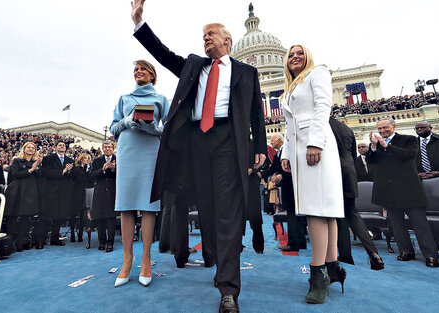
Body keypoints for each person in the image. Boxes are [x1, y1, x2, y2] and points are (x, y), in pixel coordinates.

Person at [130, 1, 266, 311]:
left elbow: (256, 115)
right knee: (207, 210)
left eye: (211, 34)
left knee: (228, 214)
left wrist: (259, 146)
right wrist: (140, 23)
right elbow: (163, 55)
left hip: (228, 142)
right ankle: (219, 263)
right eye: (203, 35)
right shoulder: (194, 65)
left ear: (227, 40)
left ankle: (229, 291)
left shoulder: (246, 72)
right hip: (194, 143)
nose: (205, 39)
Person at [280, 45, 345, 304]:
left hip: (315, 145)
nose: (295, 57)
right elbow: (289, 125)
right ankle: (332, 267)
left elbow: (322, 107)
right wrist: (286, 153)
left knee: (317, 208)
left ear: (308, 57)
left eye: (300, 53)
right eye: (291, 54)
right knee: (323, 209)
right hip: (298, 148)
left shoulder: (317, 73)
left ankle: (317, 273)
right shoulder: (291, 87)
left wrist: (315, 142)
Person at [110, 59, 169, 288]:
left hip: (150, 152)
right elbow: (114, 128)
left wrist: (155, 129)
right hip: (127, 151)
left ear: (152, 74)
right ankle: (127, 258)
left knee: (147, 206)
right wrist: (126, 121)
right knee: (125, 205)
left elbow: (170, 129)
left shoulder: (161, 99)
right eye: (135, 69)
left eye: (143, 68)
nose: (138, 72)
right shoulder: (124, 99)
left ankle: (146, 258)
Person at [367, 117, 439, 268]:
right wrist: (373, 148)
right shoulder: (376, 144)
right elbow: (371, 162)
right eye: (379, 129)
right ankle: (406, 251)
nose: (382, 131)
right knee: (397, 224)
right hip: (388, 191)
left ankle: (430, 255)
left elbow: (409, 156)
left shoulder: (409, 139)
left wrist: (386, 146)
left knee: (420, 224)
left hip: (409, 190)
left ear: (393, 127)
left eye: (385, 128)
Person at [329, 117, 384, 270]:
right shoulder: (346, 128)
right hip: (348, 172)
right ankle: (374, 254)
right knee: (352, 213)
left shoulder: (319, 124)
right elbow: (353, 156)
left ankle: (346, 256)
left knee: (338, 217)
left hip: (332, 173)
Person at [260, 134, 307, 252]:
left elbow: (294, 167)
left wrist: (282, 175)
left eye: (272, 140)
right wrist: (260, 174)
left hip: (292, 185)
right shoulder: (278, 154)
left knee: (292, 213)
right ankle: (300, 241)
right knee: (293, 213)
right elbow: (272, 169)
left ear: (280, 140)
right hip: (286, 186)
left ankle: (293, 243)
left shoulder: (289, 150)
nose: (271, 142)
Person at [6, 142, 42, 252]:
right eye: (29, 147)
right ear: (24, 149)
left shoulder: (36, 162)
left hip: (30, 193)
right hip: (18, 192)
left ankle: (20, 243)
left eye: (33, 148)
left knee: (26, 218)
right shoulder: (17, 160)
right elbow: (16, 174)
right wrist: (31, 170)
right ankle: (9, 244)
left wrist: (36, 169)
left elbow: (39, 176)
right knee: (13, 217)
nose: (31, 149)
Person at [37, 141, 74, 248]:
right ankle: (41, 240)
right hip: (50, 191)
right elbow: (46, 172)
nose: (62, 146)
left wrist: (69, 172)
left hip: (64, 193)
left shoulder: (70, 160)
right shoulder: (48, 158)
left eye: (64, 145)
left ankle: (54, 238)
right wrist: (63, 171)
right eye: (60, 145)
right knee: (46, 217)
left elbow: (72, 176)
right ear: (55, 147)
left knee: (59, 216)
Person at [89, 141, 117, 253]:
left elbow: (123, 175)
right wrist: (103, 169)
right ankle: (102, 242)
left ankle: (110, 243)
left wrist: (114, 168)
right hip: (100, 192)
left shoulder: (118, 160)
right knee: (100, 218)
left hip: (113, 192)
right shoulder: (97, 161)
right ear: (102, 149)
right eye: (105, 147)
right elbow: (91, 175)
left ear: (113, 148)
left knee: (111, 219)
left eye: (109, 147)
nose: (107, 149)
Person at [70, 153, 92, 243]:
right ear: (81, 159)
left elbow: (90, 181)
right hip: (76, 193)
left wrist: (87, 171)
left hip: (85, 193)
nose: (86, 160)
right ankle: (72, 233)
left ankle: (80, 234)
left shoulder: (89, 170)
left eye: (88, 159)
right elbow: (77, 180)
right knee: (73, 214)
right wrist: (84, 171)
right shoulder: (75, 169)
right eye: (85, 158)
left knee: (82, 215)